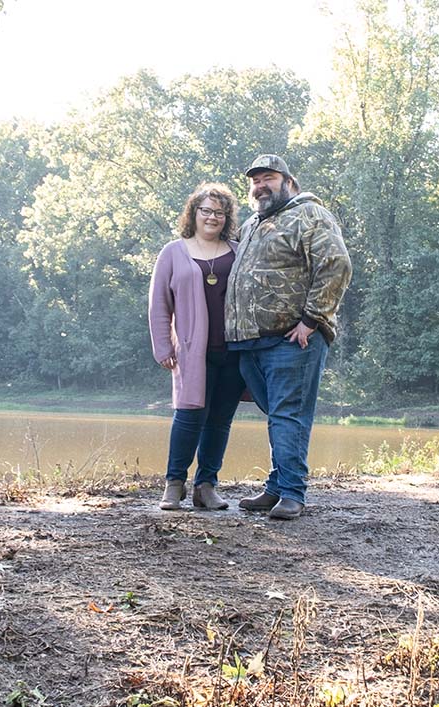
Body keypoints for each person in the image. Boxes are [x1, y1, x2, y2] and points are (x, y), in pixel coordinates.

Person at [225, 154, 352, 520]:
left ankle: (293, 493)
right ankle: (277, 487)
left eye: (269, 178)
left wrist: (311, 320)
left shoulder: (310, 214)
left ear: (288, 182)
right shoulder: (252, 223)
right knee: (279, 415)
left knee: (287, 415)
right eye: (255, 180)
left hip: (291, 339)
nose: (261, 185)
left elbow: (336, 265)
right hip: (251, 341)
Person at [149, 183, 247, 511]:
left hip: (233, 351)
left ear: (227, 217)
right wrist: (163, 347)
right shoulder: (173, 252)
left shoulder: (238, 250)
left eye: (220, 212)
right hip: (192, 352)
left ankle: (206, 486)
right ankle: (174, 485)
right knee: (189, 416)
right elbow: (159, 304)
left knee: (220, 420)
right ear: (194, 213)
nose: (212, 217)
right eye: (206, 210)